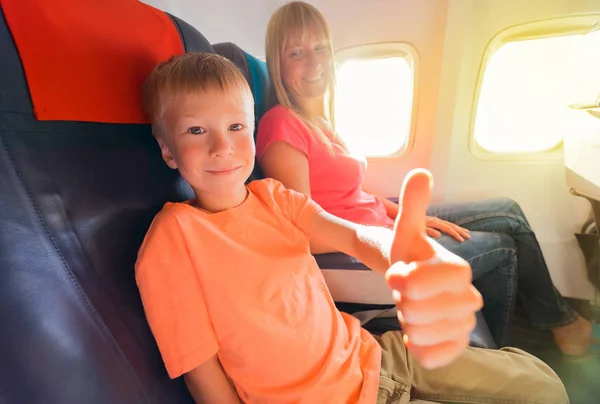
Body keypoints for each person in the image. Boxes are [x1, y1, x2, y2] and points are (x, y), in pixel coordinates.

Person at [135, 52, 567, 403]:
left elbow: (350, 235)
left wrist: (399, 254)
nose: (222, 147)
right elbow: (201, 371)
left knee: (544, 386)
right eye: (196, 130)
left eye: (235, 127)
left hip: (374, 357)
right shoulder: (172, 240)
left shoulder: (273, 197)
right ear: (168, 150)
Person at [255, 0, 592, 354]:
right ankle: (511, 351)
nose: (314, 63)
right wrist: (391, 233)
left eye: (320, 48)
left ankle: (559, 324)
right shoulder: (281, 125)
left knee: (507, 210)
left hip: (382, 222)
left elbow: (354, 190)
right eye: (296, 53)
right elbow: (303, 233)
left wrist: (402, 214)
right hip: (366, 252)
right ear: (278, 63)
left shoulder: (323, 122)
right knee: (503, 247)